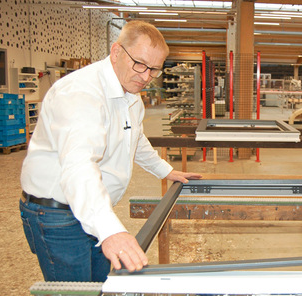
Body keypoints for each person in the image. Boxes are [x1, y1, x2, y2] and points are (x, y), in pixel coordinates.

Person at [19, 20, 202, 282]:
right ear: (116, 52)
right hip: (57, 214)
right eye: (139, 64)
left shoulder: (130, 96)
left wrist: (166, 170)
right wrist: (109, 230)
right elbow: (78, 166)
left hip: (93, 208)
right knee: (75, 290)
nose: (146, 76)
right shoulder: (81, 94)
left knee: (101, 285)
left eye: (154, 70)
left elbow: (135, 140)